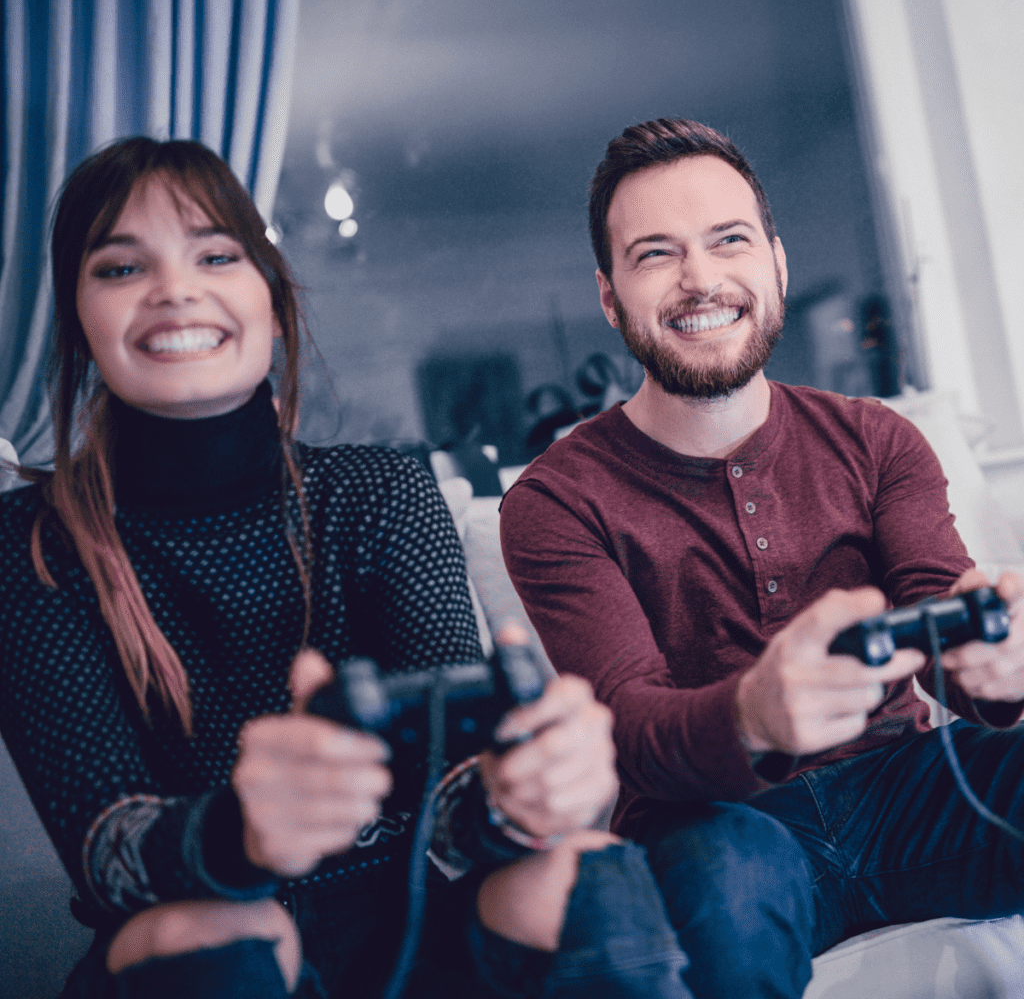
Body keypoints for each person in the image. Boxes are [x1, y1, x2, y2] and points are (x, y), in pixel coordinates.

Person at [0, 137, 692, 999]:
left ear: (273, 302)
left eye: (216, 254)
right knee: (215, 932)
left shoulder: (383, 491)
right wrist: (245, 831)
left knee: (580, 868)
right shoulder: (28, 542)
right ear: (76, 316)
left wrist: (521, 794)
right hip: (201, 936)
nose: (175, 289)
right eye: (119, 268)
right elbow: (109, 851)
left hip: (410, 914)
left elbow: (451, 793)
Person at [500, 117, 1024, 999]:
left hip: (912, 792)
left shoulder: (880, 440)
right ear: (610, 295)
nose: (701, 279)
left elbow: (945, 622)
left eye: (728, 241)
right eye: (656, 254)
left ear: (776, 263)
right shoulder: (554, 501)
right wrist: (752, 716)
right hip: (720, 829)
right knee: (721, 884)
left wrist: (1001, 666)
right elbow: (628, 729)